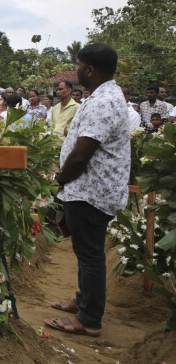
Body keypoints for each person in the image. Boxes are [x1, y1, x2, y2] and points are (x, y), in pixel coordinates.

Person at [46, 43, 130, 338]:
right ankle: (83, 303)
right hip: (88, 190)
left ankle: (90, 319)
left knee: (91, 254)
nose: (76, 70)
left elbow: (82, 154)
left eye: (78, 65)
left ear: (90, 70)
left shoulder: (104, 101)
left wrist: (60, 178)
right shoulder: (103, 96)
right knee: (85, 252)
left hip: (91, 192)